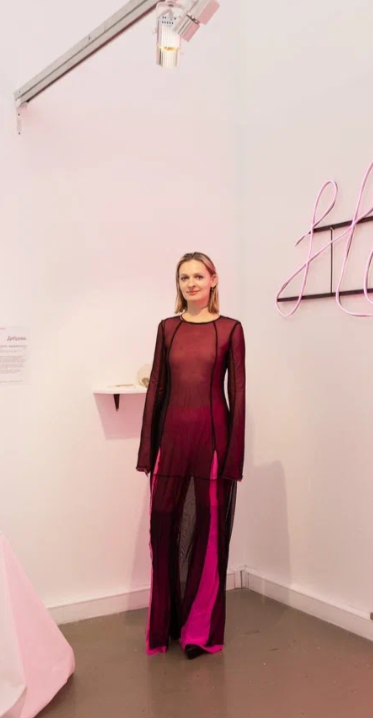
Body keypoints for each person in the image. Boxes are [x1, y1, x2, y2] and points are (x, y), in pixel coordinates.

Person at [137, 252, 246, 659]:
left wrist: (234, 456)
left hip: (212, 441)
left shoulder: (230, 329)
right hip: (171, 441)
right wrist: (148, 448)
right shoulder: (167, 329)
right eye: (184, 277)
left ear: (213, 280)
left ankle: (199, 631)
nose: (191, 283)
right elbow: (157, 388)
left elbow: (238, 393)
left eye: (199, 276)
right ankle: (166, 624)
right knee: (163, 527)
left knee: (208, 531)